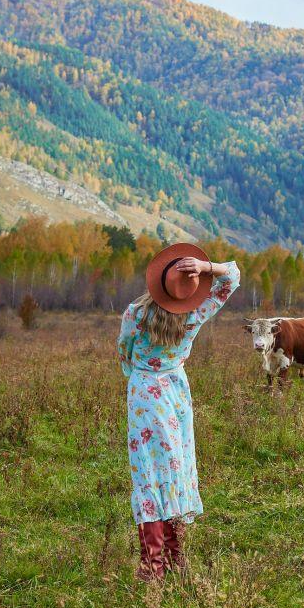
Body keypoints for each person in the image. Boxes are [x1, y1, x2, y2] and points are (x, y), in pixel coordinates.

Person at [116, 243, 240, 582]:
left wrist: (139, 377)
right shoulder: (195, 315)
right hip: (175, 393)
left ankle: (152, 564)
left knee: (147, 472)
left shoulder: (135, 314)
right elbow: (232, 275)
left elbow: (123, 350)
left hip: (144, 392)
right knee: (175, 467)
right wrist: (206, 266)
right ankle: (174, 557)